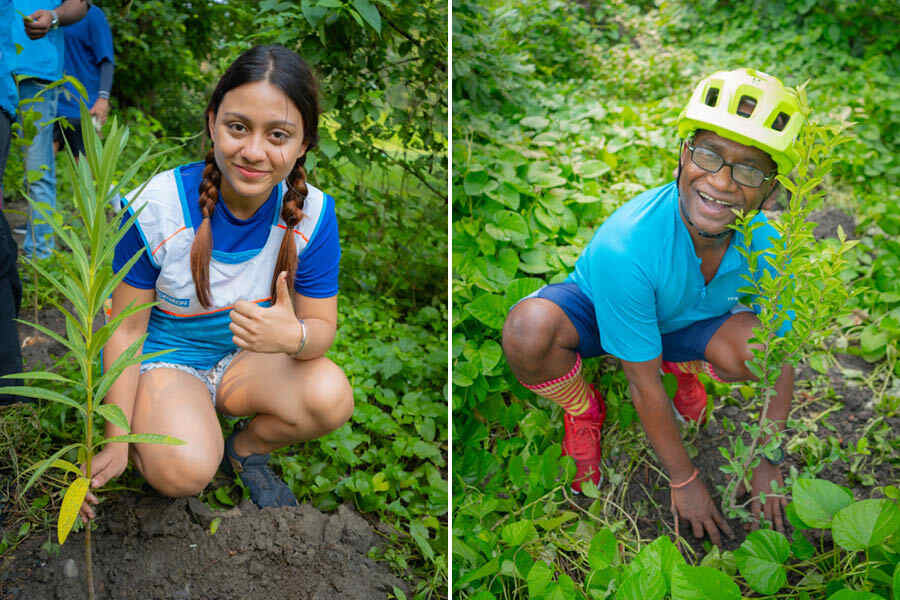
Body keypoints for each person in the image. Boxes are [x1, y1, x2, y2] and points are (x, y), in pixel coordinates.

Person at [502, 68, 806, 547]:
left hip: (686, 320)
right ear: (682, 155)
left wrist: (768, 459)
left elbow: (781, 358)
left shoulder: (768, 247)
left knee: (760, 347)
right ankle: (584, 409)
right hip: (607, 314)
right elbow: (642, 384)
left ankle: (682, 365)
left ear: (770, 189)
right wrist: (684, 480)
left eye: (749, 170)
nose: (723, 182)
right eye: (708, 155)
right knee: (528, 331)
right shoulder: (627, 247)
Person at [79, 45, 353, 519]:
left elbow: (321, 329)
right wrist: (117, 438)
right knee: (183, 472)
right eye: (238, 127)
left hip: (245, 361)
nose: (253, 151)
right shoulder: (157, 208)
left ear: (304, 143)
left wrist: (294, 337)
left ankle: (244, 451)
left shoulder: (313, 216)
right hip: (166, 361)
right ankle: (173, 425)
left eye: (278, 135)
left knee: (330, 396)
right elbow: (124, 330)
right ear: (212, 123)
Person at [12, 0, 88, 258]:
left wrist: (53, 16)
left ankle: (39, 258)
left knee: (38, 166)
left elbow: (80, 4)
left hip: (37, 75)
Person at [54, 1, 114, 158]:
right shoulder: (47, 10)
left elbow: (106, 60)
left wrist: (103, 98)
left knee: (85, 175)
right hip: (50, 103)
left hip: (82, 106)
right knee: (40, 174)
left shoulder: (92, 15)